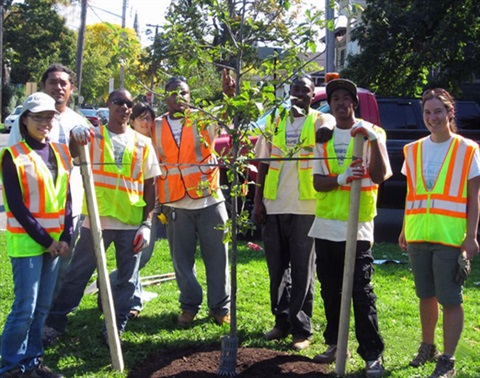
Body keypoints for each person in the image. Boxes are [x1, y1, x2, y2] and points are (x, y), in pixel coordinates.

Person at [43, 88, 161, 344]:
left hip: (130, 223)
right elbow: (74, 153)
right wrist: (76, 136)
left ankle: (115, 326)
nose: (124, 107)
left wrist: (147, 223)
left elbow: (151, 185)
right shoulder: (93, 136)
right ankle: (55, 323)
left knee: (127, 281)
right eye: (119, 102)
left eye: (129, 104)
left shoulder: (142, 143)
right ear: (108, 104)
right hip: (96, 221)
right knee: (78, 274)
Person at [308, 78, 391, 378]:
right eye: (335, 99)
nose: (341, 103)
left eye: (346, 98)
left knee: (361, 292)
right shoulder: (324, 138)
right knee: (330, 290)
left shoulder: (372, 133)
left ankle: (372, 355)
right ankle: (334, 345)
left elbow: (381, 177)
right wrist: (342, 178)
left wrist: (373, 141)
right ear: (329, 105)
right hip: (327, 225)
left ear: (354, 103)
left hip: (358, 227)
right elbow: (318, 182)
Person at [398, 88, 480, 378]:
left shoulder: (467, 149)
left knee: (450, 299)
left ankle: (448, 359)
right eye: (427, 112)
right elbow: (411, 194)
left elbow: (474, 198)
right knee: (426, 295)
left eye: (438, 111)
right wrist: (405, 228)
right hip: (419, 234)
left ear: (450, 113)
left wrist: (471, 237)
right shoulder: (413, 149)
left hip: (449, 236)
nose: (432, 118)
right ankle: (428, 346)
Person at [253, 74, 335, 350]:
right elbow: (262, 164)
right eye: (295, 89)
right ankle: (281, 321)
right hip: (274, 205)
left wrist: (329, 125)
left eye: (306, 90)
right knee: (277, 269)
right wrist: (257, 201)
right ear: (289, 92)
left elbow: (331, 121)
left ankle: (302, 328)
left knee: (303, 269)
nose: (299, 93)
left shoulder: (318, 121)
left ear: (313, 96)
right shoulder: (274, 122)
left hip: (304, 207)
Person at [0, 92, 73, 378]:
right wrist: (48, 241)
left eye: (49, 117)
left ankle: (32, 362)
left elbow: (65, 198)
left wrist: (65, 236)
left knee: (42, 308)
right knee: (24, 309)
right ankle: (8, 366)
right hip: (29, 242)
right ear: (24, 120)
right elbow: (16, 206)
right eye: (38, 117)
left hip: (54, 244)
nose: (45, 122)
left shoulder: (60, 152)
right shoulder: (13, 156)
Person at [151, 76, 230, 327]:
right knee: (181, 261)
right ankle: (189, 305)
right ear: (165, 96)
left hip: (209, 200)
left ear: (190, 95)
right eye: (173, 92)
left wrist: (228, 93)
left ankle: (220, 308)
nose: (179, 97)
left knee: (218, 258)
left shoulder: (204, 118)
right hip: (175, 203)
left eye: (184, 92)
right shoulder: (155, 125)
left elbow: (227, 118)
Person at [8, 64, 91, 303]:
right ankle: (33, 322)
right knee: (30, 284)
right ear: (44, 86)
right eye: (52, 82)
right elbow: (16, 158)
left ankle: (50, 322)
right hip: (31, 215)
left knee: (59, 271)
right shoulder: (24, 121)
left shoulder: (78, 121)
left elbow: (81, 160)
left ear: (72, 89)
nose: (58, 87)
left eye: (63, 83)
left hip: (66, 211)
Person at [109, 102, 161, 319]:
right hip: (126, 211)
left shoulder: (151, 143)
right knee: (137, 257)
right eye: (141, 118)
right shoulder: (123, 141)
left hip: (151, 207)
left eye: (149, 118)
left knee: (140, 257)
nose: (146, 122)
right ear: (131, 120)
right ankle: (125, 297)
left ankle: (124, 296)